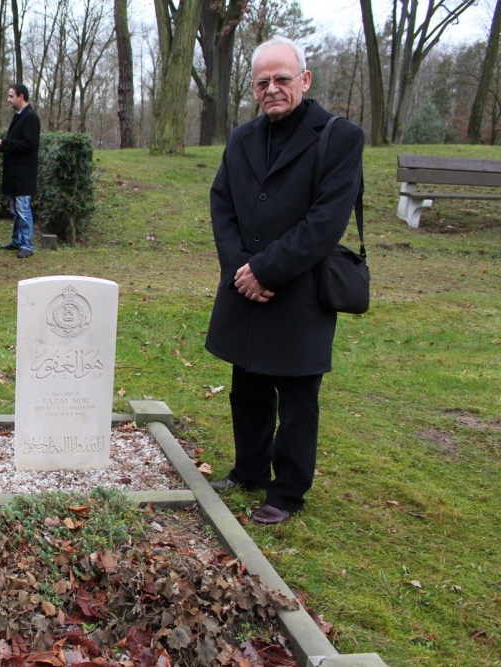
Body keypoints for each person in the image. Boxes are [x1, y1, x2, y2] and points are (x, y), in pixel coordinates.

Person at [205, 36, 364, 525]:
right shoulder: (241, 138)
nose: (272, 89)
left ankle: (288, 491)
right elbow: (222, 204)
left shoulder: (340, 137)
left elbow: (325, 221)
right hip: (245, 286)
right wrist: (240, 271)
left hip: (299, 288)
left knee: (297, 398)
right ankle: (249, 469)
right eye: (262, 82)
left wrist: (267, 271)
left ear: (305, 80)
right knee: (247, 385)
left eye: (282, 79)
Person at [0, 83, 39, 259]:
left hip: (24, 172)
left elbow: (28, 143)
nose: (8, 99)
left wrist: (5, 144)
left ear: (21, 96)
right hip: (15, 172)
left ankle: (27, 244)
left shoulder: (31, 117)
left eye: (11, 96)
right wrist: (2, 145)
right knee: (15, 208)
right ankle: (17, 240)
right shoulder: (20, 116)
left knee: (23, 208)